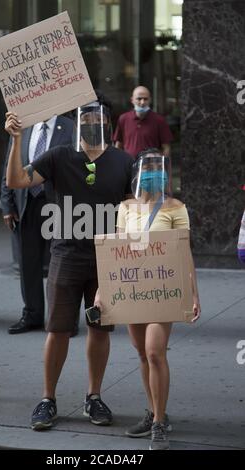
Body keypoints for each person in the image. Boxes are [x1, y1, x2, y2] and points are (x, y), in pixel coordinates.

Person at [4, 95, 133, 431]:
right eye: (85, 118)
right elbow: (17, 180)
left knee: (100, 330)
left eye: (98, 118)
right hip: (66, 253)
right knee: (58, 330)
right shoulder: (60, 156)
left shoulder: (123, 161)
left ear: (108, 123)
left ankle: (94, 396)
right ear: (78, 122)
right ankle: (48, 399)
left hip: (107, 258)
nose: (92, 123)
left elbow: (133, 212)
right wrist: (17, 139)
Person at [95, 148, 201, 450]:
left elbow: (185, 252)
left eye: (159, 168)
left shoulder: (176, 208)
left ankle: (157, 425)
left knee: (155, 352)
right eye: (149, 167)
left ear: (166, 173)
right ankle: (157, 411)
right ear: (138, 173)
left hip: (163, 288)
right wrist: (104, 291)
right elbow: (114, 250)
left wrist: (194, 293)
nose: (154, 173)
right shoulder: (126, 208)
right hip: (131, 288)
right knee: (142, 353)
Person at [0, 115, 74, 335]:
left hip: (58, 205)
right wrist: (7, 204)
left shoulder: (70, 126)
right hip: (26, 203)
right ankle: (32, 314)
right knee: (27, 263)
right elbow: (8, 164)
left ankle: (62, 319)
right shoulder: (22, 127)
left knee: (61, 264)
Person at [113, 86, 173, 159]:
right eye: (139, 99)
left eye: (145, 99)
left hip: (151, 167)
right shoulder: (123, 119)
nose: (142, 102)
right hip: (128, 167)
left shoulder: (159, 120)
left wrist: (163, 166)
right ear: (132, 100)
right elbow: (118, 145)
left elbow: (166, 147)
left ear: (150, 100)